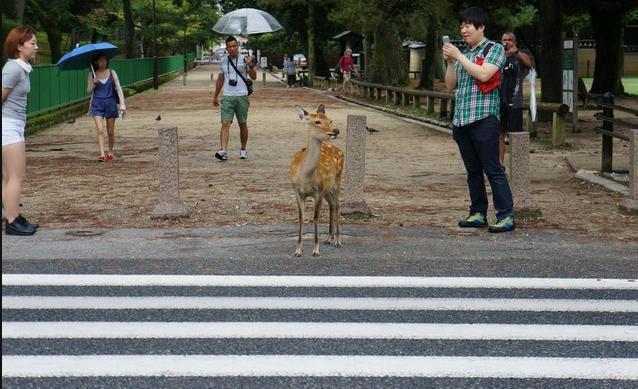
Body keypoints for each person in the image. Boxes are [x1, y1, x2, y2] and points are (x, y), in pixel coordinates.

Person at [442, 7, 515, 233]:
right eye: (461, 26)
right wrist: (451, 63)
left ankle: (506, 216)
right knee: (473, 170)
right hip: (461, 119)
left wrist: (459, 56)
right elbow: (450, 85)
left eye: (468, 25)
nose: (464, 30)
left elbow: (485, 74)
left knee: (492, 168)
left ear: (481, 27)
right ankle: (478, 212)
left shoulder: (494, 49)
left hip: (484, 118)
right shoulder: (463, 54)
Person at [2, 26, 39, 236]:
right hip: (8, 126)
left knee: (8, 176)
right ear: (19, 46)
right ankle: (12, 221)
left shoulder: (20, 67)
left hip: (12, 124)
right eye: (32, 43)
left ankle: (12, 216)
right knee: (16, 176)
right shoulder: (13, 69)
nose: (36, 47)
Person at [213, 36, 257, 161]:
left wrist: (251, 65)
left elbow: (254, 77)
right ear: (226, 48)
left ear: (237, 46)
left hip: (242, 95)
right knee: (225, 123)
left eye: (234, 46)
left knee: (242, 123)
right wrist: (215, 96)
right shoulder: (223, 62)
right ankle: (223, 151)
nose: (232, 48)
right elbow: (220, 80)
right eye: (229, 46)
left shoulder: (245, 59)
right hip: (227, 96)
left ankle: (243, 149)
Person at [499, 32, 533, 164]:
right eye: (504, 40)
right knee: (499, 135)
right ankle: (500, 165)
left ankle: (517, 167)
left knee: (516, 135)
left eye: (509, 40)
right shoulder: (497, 56)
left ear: (515, 42)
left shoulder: (519, 56)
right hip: (498, 101)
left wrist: (516, 51)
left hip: (515, 101)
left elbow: (529, 63)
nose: (507, 42)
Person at [87, 53, 126, 161]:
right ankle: (102, 154)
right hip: (97, 104)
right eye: (100, 60)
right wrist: (94, 84)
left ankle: (110, 151)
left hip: (110, 103)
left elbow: (118, 88)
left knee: (110, 131)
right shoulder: (92, 74)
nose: (103, 62)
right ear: (96, 62)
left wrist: (122, 104)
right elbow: (88, 91)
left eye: (104, 60)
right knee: (100, 129)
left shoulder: (112, 73)